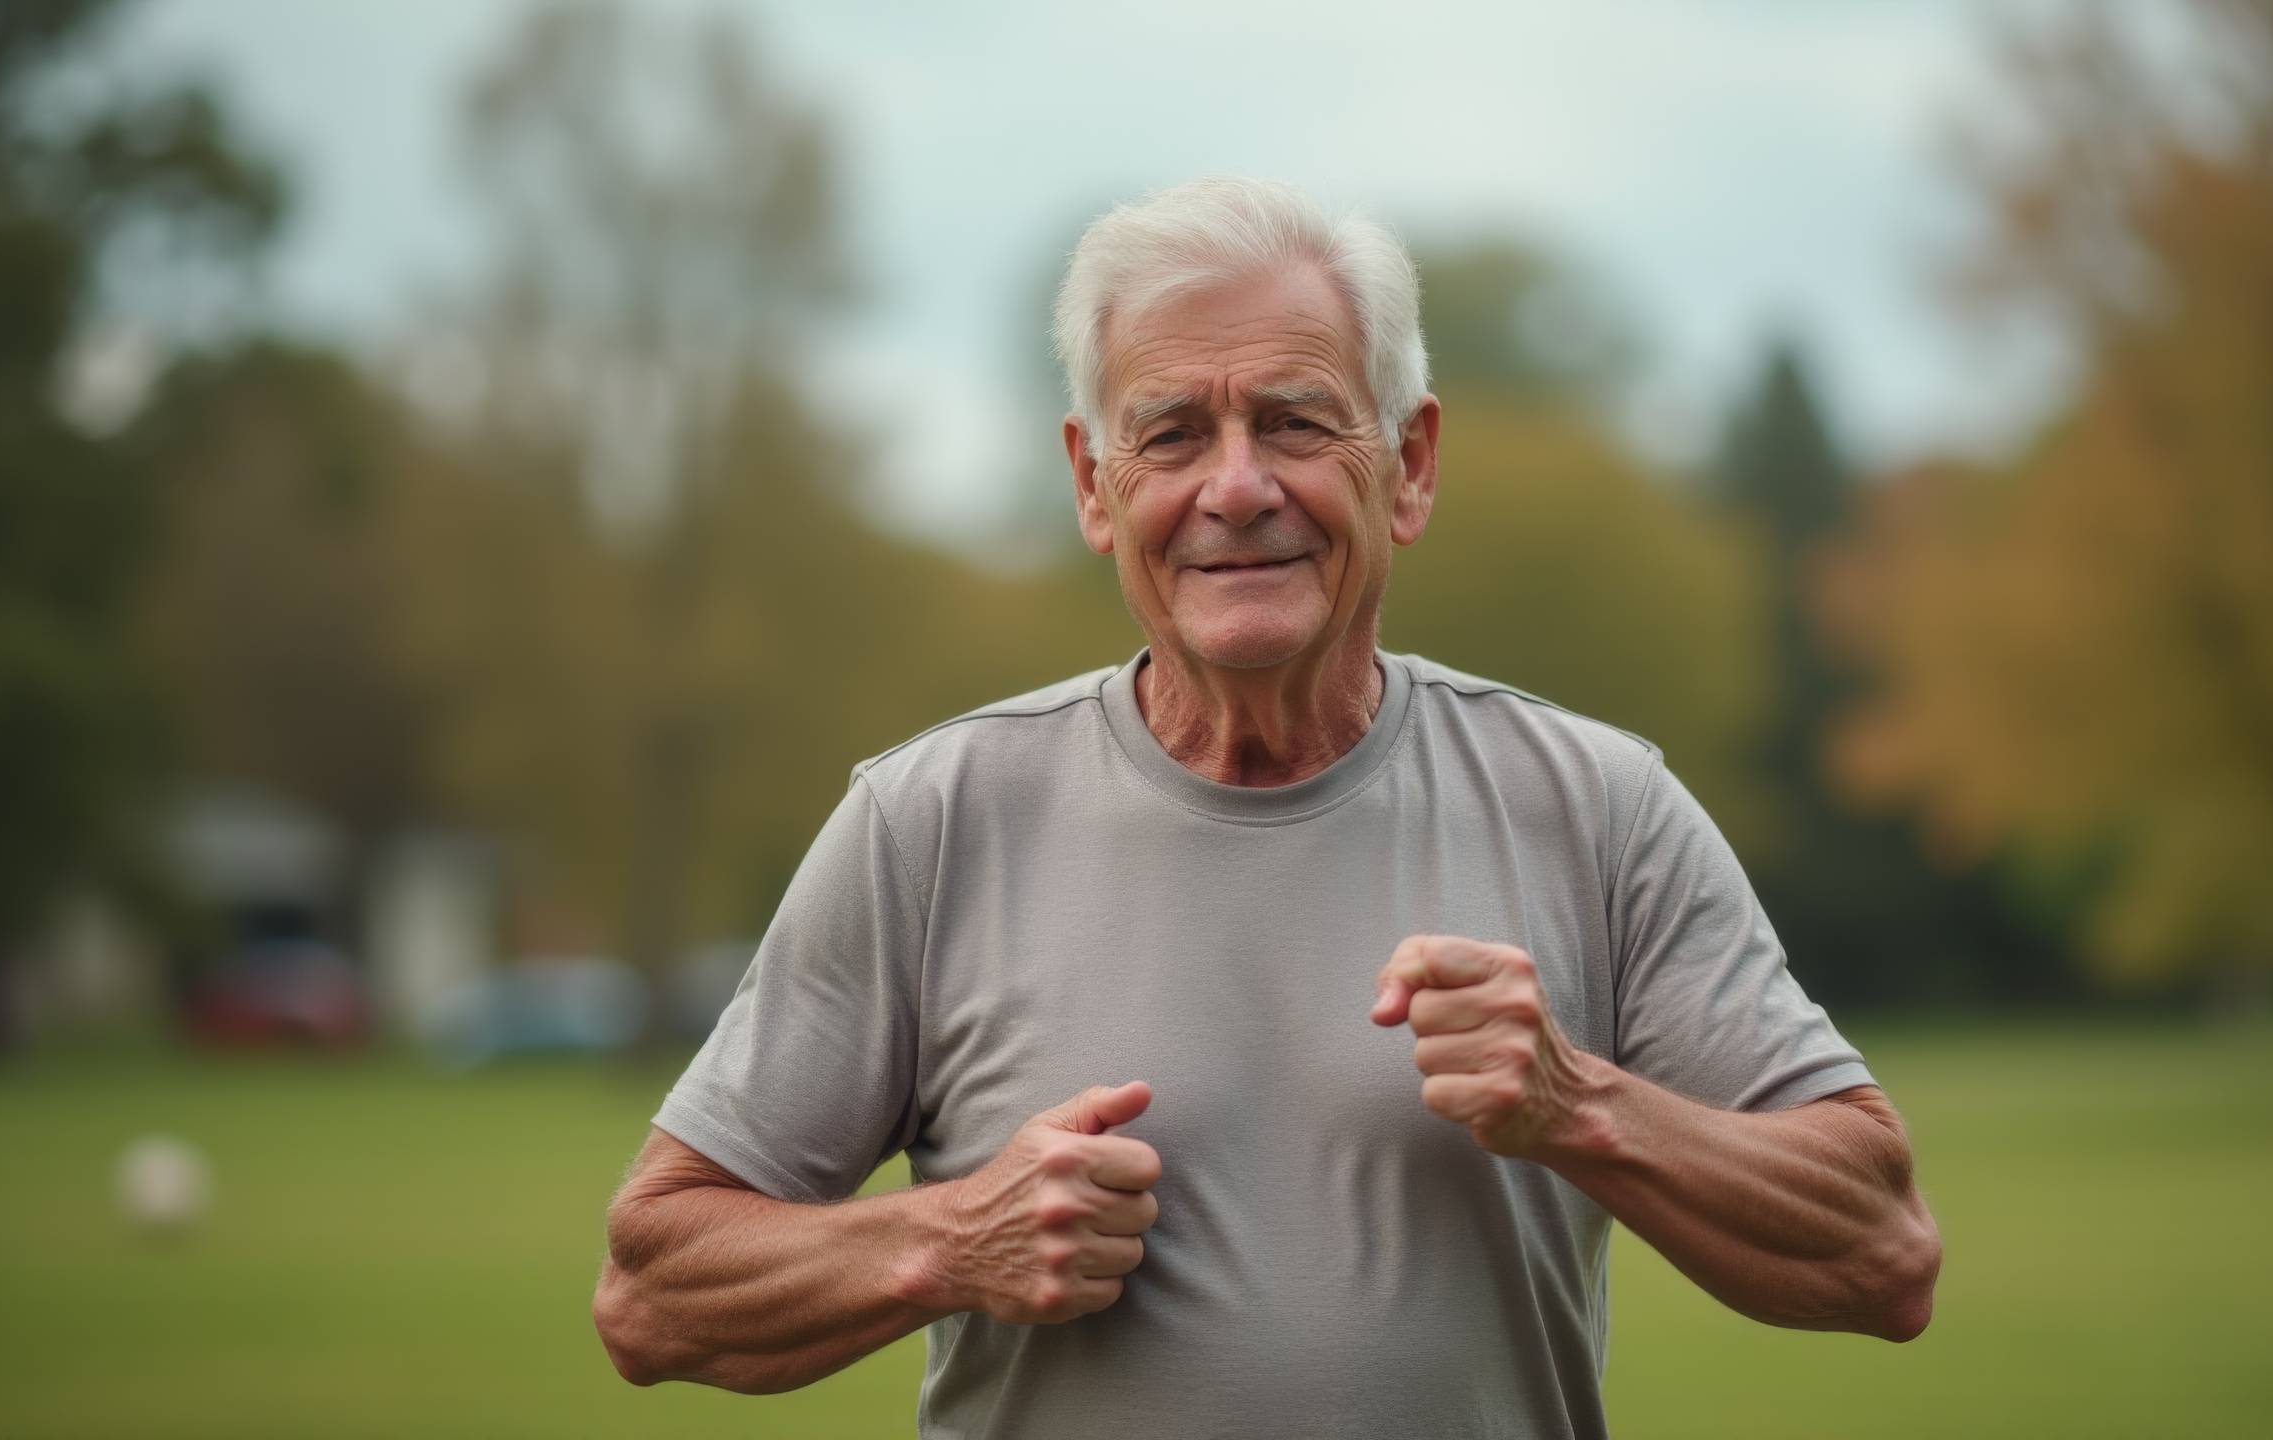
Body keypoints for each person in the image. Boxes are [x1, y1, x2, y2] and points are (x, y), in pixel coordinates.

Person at [591, 175, 1941, 1438]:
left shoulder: (1595, 809)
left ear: (1408, 464)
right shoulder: (932, 822)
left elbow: (1882, 1255)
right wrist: (944, 1241)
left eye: (1295, 421)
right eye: (1172, 433)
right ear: (1092, 484)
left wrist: (1579, 1105)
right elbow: (651, 1294)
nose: (1237, 488)